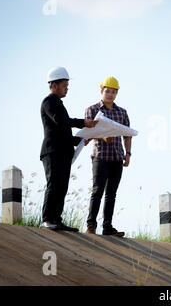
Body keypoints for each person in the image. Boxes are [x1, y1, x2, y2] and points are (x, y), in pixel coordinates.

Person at [40, 66, 98, 231]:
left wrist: (80, 139)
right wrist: (83, 123)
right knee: (54, 184)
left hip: (64, 152)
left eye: (67, 85)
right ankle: (47, 220)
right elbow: (61, 121)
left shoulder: (59, 103)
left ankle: (57, 220)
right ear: (54, 85)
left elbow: (63, 131)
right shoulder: (49, 102)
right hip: (52, 151)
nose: (67, 88)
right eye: (64, 85)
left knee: (62, 186)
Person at [84, 76, 132, 237]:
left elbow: (127, 135)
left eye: (113, 92)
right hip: (100, 156)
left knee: (111, 193)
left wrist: (128, 154)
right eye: (107, 91)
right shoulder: (92, 110)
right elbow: (87, 134)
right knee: (97, 190)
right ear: (101, 91)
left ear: (117, 93)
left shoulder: (122, 113)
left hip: (117, 157)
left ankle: (107, 227)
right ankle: (91, 225)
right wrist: (102, 137)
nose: (110, 94)